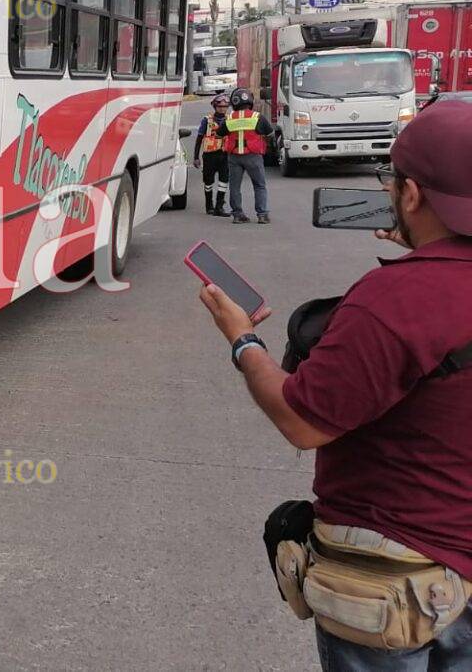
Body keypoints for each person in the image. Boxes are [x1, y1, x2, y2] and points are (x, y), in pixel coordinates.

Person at [199, 101, 472, 671]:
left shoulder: (395, 300)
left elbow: (302, 420)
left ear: (413, 195)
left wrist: (244, 342)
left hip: (397, 576)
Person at [218, 88, 273, 225]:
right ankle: (262, 215)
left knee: (235, 187)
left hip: (234, 157)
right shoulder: (257, 117)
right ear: (250, 101)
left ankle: (237, 214)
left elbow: (219, 134)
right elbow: (270, 133)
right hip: (253, 155)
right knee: (259, 185)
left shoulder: (229, 118)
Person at [193, 94, 231, 217]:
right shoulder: (207, 120)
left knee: (224, 181)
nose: (222, 109)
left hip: (224, 154)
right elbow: (199, 138)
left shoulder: (229, 119)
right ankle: (209, 206)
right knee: (208, 182)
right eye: (220, 106)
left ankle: (219, 207)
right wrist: (196, 157)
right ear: (215, 106)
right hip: (210, 155)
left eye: (225, 106)